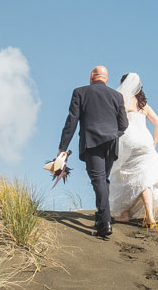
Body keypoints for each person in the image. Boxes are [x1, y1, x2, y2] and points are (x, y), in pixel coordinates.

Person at [55, 65, 129, 238]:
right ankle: (102, 216)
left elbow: (71, 122)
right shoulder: (117, 96)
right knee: (103, 180)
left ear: (91, 77)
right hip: (111, 142)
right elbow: (124, 124)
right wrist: (112, 133)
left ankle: (105, 223)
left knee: (98, 180)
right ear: (106, 78)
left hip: (92, 142)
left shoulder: (80, 92)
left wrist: (62, 148)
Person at [109, 72, 158, 228]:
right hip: (145, 142)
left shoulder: (121, 101)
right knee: (144, 179)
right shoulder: (143, 105)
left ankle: (126, 213)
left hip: (128, 141)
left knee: (125, 176)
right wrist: (154, 143)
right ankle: (143, 215)